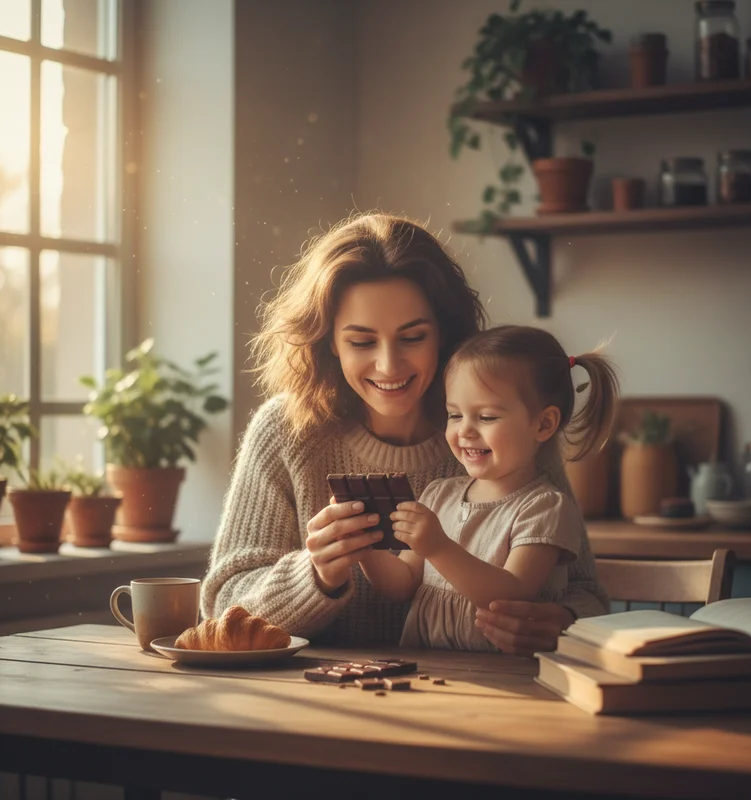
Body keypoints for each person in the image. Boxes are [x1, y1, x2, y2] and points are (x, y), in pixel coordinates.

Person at [201, 213, 609, 655]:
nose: (389, 366)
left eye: (412, 337)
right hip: (318, 696)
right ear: (329, 342)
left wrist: (563, 624)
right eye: (361, 342)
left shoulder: (505, 431)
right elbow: (222, 607)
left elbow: (586, 595)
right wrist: (316, 574)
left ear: (444, 336)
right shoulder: (285, 432)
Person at [359, 325, 619, 651]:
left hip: (506, 674)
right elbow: (403, 583)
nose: (465, 431)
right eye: (455, 415)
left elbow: (511, 594)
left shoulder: (546, 507)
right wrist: (365, 550)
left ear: (543, 424)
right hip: (430, 670)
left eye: (486, 417)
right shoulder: (439, 495)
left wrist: (439, 547)